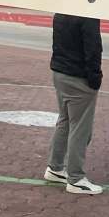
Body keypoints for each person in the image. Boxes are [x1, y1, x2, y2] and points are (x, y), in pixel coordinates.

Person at [44, 13, 103, 195]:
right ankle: (75, 178)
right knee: (80, 128)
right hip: (79, 76)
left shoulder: (61, 12)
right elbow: (93, 49)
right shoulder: (88, 16)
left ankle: (55, 167)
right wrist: (95, 78)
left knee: (65, 121)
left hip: (60, 71)